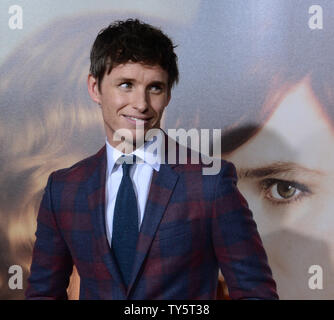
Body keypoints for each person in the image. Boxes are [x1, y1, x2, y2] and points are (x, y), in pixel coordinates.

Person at [25, 19, 277, 300]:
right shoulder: (64, 189)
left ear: (168, 94)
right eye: (126, 85)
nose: (141, 103)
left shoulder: (210, 182)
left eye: (155, 88)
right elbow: (42, 294)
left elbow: (255, 292)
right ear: (95, 88)